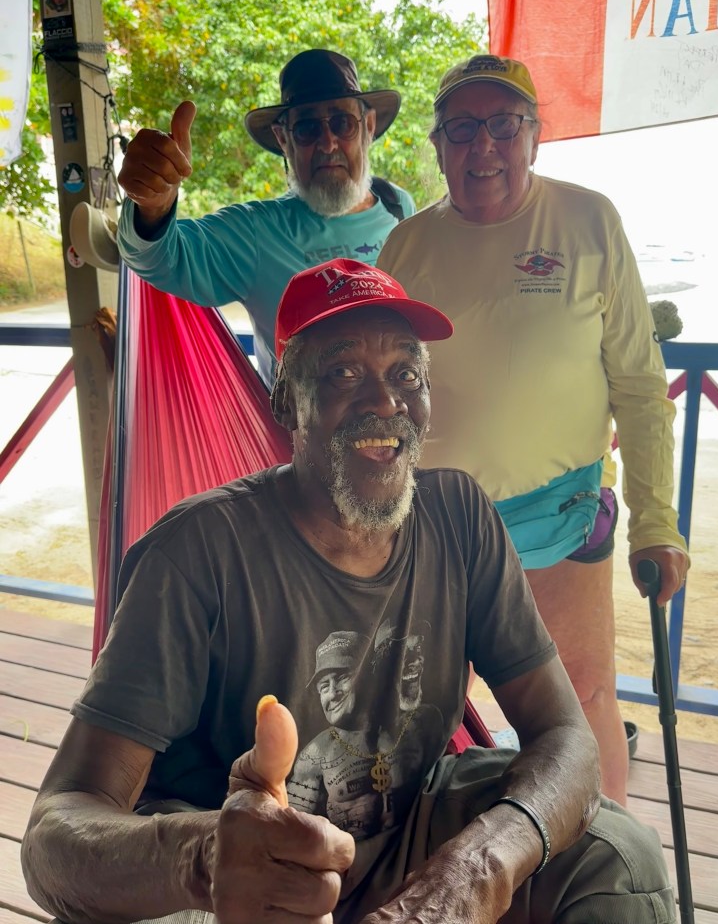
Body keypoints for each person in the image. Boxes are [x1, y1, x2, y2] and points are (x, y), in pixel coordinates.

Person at [22, 258, 677, 924]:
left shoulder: (458, 516)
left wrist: (474, 870)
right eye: (342, 373)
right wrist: (203, 858)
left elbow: (568, 738)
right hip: (238, 872)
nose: (384, 401)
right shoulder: (195, 553)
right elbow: (55, 833)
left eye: (406, 375)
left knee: (619, 858)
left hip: (408, 832)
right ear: (287, 400)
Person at [377, 53, 691, 806]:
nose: (482, 145)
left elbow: (642, 390)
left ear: (534, 137)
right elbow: (377, 394)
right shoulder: (405, 246)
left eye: (502, 124)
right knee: (422, 714)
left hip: (562, 517)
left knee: (582, 698)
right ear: (439, 145)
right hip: (436, 527)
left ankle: (610, 869)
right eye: (460, 128)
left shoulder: (588, 219)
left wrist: (658, 525)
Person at [116, 48, 416, 387]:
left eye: (342, 122)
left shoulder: (399, 207)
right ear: (283, 139)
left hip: (399, 431)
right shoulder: (256, 233)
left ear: (369, 126)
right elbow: (161, 258)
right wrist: (152, 204)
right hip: (297, 439)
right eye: (306, 128)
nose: (328, 143)